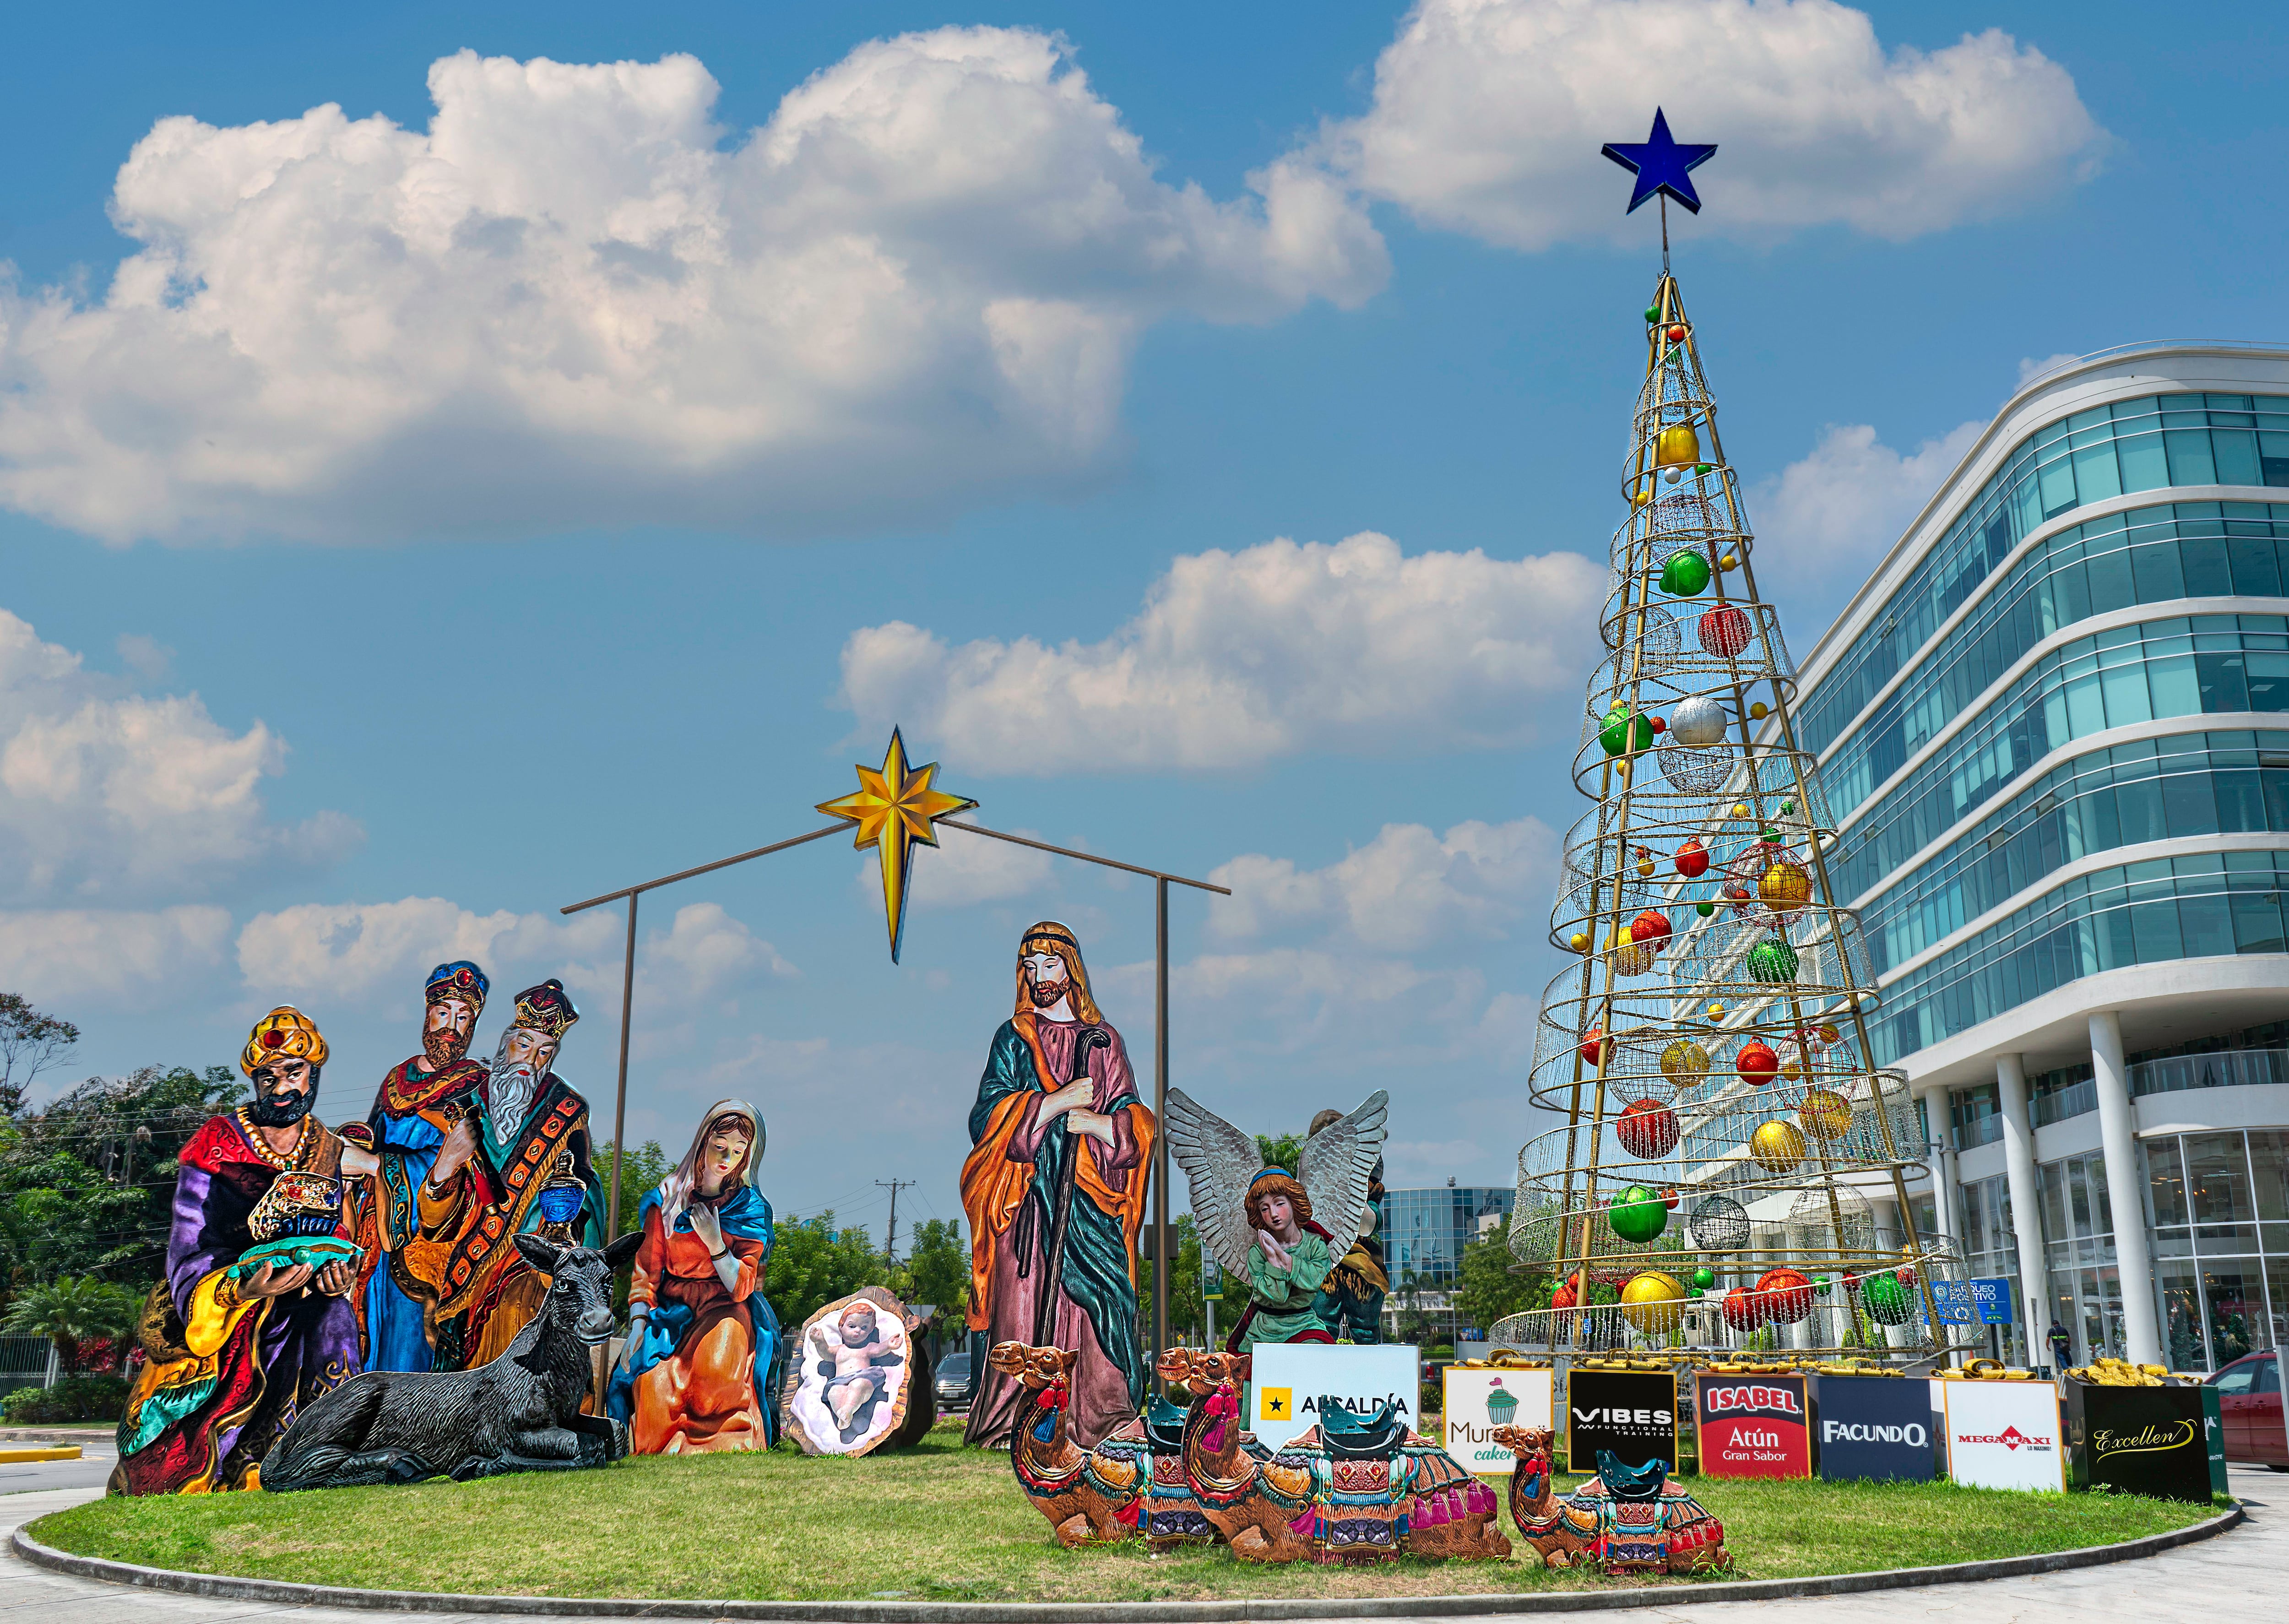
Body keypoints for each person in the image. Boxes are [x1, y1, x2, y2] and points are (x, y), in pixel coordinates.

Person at [112, 1008, 366, 1494]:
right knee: (177, 1467)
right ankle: (229, 1469)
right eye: (268, 1076)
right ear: (254, 1079)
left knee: (334, 1318)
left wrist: (338, 1272)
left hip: (305, 1301)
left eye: (294, 1072)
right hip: (227, 1307)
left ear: (313, 1074)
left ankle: (323, 1458)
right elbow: (189, 1244)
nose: (281, 1087)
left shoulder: (328, 1149)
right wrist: (237, 1287)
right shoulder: (217, 1143)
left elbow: (339, 1231)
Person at [960, 922, 1156, 1449]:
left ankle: (1103, 1417)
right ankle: (1011, 1422)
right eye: (1030, 966)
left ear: (1071, 968)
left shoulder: (1104, 1040)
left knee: (1100, 1300)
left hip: (1088, 1197)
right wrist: (1055, 1101)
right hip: (1025, 1200)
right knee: (1021, 1307)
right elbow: (985, 1117)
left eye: (1049, 964)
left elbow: (1134, 1118)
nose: (1039, 976)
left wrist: (1093, 1123)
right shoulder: (1013, 1037)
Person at [412, 979, 605, 1369]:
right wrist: (447, 1164)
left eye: (544, 1052)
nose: (531, 1061)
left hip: (535, 1260)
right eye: (524, 1046)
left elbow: (588, 1189)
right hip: (465, 1262)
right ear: (506, 1042)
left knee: (521, 1317)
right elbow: (433, 1220)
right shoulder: (464, 1106)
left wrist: (567, 1227)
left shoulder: (567, 1110)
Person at [608, 1100, 781, 1452]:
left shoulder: (750, 1209)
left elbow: (742, 1285)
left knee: (713, 1383)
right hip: (673, 1312)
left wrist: (715, 1242)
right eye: (720, 1146)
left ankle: (730, 1436)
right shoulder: (667, 1200)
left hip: (724, 1307)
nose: (726, 1157)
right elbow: (647, 1270)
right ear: (703, 1142)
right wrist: (639, 1322)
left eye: (737, 1150)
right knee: (654, 1393)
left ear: (747, 1157)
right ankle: (669, 1442)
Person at [345, 961, 489, 1372]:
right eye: (444, 1013)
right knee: (364, 1333)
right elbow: (371, 1135)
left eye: (464, 1017)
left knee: (409, 1346)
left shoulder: (476, 1083)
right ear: (428, 1014)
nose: (452, 1026)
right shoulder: (397, 1077)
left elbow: (466, 1163)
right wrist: (353, 1151)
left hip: (430, 1237)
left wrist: (375, 1165)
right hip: (375, 1232)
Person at [1231, 1168, 1337, 1355]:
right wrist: (1272, 1258)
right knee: (1251, 1379)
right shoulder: (1257, 1253)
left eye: (1279, 1204)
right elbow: (1278, 1296)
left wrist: (1283, 1256)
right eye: (1264, 1208)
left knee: (1319, 1359)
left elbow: (1314, 1281)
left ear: (1293, 1203)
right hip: (1265, 1329)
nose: (1273, 1214)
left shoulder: (1314, 1245)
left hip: (1304, 1324)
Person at [1307, 1107, 1387, 1343]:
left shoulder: (1367, 1187)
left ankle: (1370, 1375)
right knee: (1321, 1326)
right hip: (1323, 1266)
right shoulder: (1309, 1189)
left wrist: (1349, 1193)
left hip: (1363, 1264)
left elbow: (1369, 1224)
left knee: (1365, 1330)